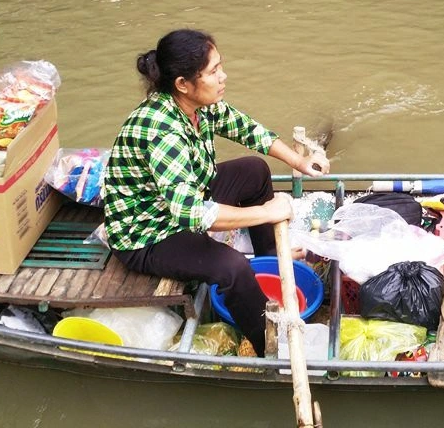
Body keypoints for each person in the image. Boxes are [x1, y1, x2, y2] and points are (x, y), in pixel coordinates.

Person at [103, 29, 330, 358]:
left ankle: (269, 256)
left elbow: (246, 128)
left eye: (220, 67)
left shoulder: (198, 104)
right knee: (233, 267)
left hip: (182, 197)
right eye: (213, 71)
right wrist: (268, 213)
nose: (223, 77)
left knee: (254, 169)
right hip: (149, 233)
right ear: (183, 83)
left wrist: (300, 161)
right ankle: (269, 346)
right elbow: (191, 214)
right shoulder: (162, 128)